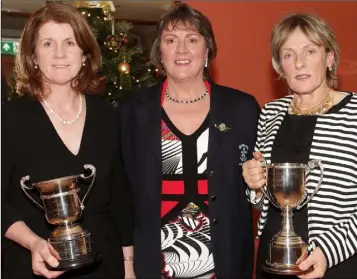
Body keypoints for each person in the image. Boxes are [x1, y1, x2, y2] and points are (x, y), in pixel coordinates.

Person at [119, 3, 260, 279]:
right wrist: (127, 263)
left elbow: (260, 189)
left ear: (207, 50)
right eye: (171, 41)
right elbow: (122, 193)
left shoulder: (242, 108)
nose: (181, 50)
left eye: (192, 40)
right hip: (154, 265)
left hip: (226, 263)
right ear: (160, 51)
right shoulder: (133, 110)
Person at [1, 3, 135, 279]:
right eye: (48, 43)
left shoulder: (106, 114)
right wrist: (33, 242)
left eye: (69, 43)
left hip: (104, 265)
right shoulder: (9, 118)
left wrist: (129, 266)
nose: (60, 54)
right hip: (34, 264)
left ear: (85, 54)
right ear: (33, 56)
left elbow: (121, 197)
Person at [243, 13, 357, 279]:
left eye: (310, 50)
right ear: (280, 67)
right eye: (288, 54)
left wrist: (328, 251)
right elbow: (263, 203)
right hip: (274, 261)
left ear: (329, 58)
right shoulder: (270, 112)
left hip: (336, 264)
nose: (300, 63)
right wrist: (255, 187)